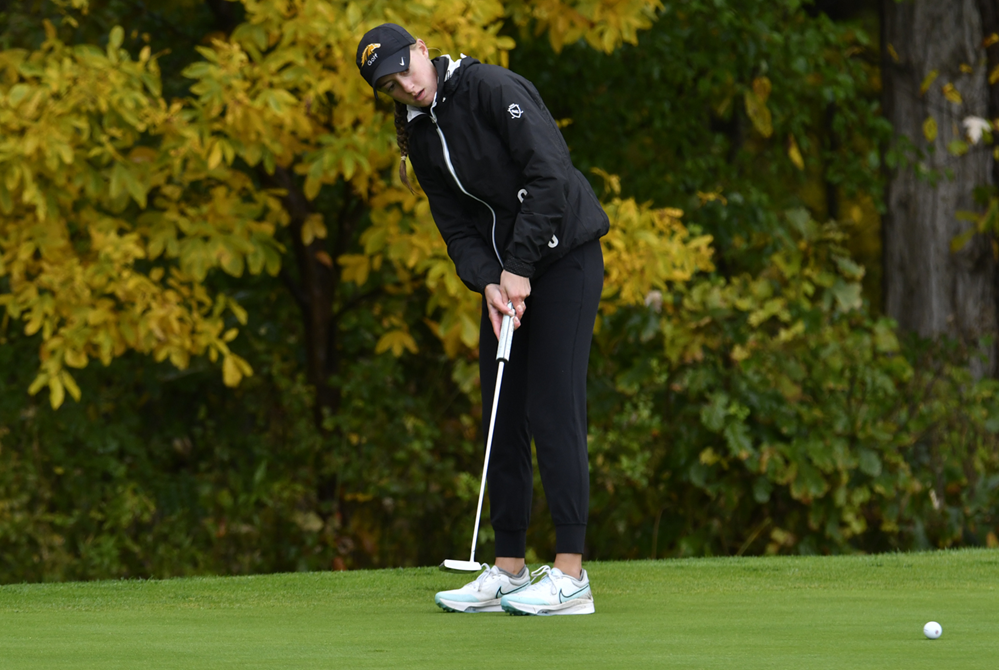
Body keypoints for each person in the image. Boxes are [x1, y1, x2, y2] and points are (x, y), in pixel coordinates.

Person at [356, 23, 608, 616]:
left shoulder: (491, 87)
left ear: (422, 50)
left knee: (554, 406)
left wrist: (518, 266)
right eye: (390, 85)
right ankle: (510, 569)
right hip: (507, 284)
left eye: (405, 69)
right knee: (502, 412)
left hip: (566, 259)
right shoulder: (419, 137)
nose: (405, 86)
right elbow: (458, 232)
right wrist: (492, 283)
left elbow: (550, 172)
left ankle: (571, 577)